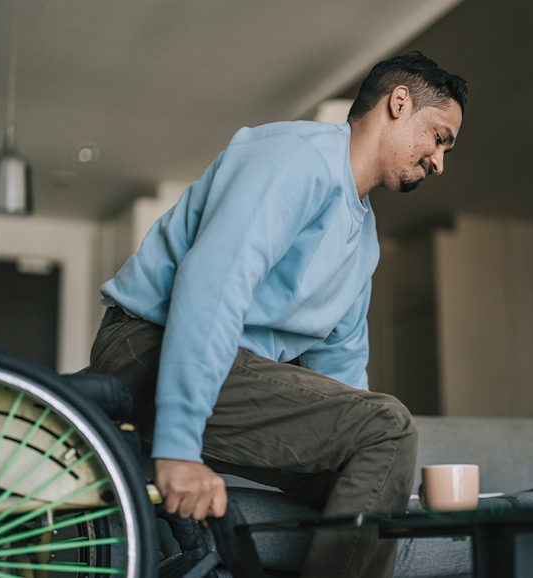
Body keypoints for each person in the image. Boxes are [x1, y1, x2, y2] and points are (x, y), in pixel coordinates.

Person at [90, 51, 466, 578]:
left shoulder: (364, 242)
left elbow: (340, 372)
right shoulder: (297, 158)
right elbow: (210, 290)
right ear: (399, 103)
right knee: (389, 428)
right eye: (440, 137)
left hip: (233, 376)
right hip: (148, 348)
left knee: (379, 448)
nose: (439, 161)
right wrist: (178, 449)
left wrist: (387, 480)